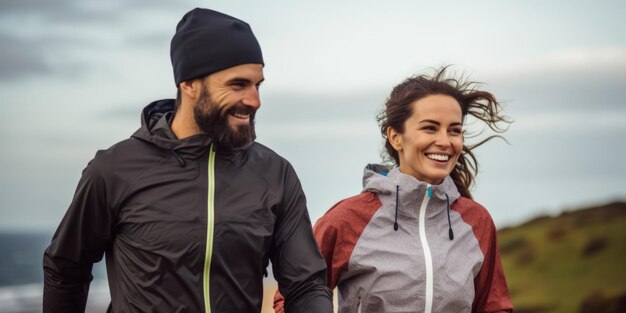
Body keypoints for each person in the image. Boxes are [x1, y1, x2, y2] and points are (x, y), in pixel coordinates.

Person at [43, 8, 333, 313]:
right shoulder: (115, 171)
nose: (254, 100)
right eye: (237, 85)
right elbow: (65, 269)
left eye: (257, 84)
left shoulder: (275, 174)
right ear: (189, 84)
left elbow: (306, 285)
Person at [274, 66, 513, 313]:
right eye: (430, 128)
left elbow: (495, 307)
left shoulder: (477, 222)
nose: (444, 141)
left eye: (454, 130)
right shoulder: (348, 219)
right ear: (395, 137)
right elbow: (293, 297)